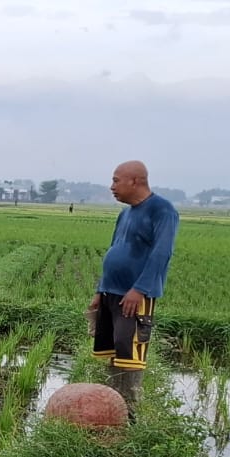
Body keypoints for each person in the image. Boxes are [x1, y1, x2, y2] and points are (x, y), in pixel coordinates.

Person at [87, 160, 179, 416]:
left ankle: (130, 413)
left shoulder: (162, 210)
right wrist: (99, 290)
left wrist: (139, 289)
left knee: (131, 355)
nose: (112, 187)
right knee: (114, 351)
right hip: (111, 293)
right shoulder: (125, 213)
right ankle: (112, 407)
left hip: (134, 296)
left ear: (135, 181)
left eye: (116, 180)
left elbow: (162, 254)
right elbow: (114, 248)